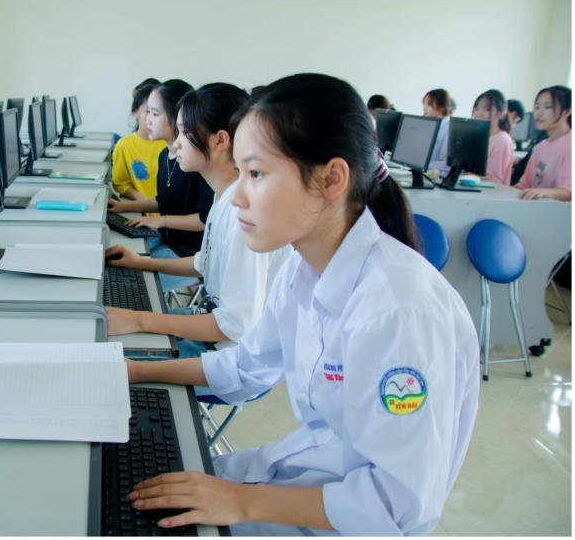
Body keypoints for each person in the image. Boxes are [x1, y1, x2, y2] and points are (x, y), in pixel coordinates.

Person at [122, 73, 479, 535]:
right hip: (299, 479)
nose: (239, 196)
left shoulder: (398, 312)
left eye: (255, 174)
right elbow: (247, 366)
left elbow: (395, 507)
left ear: (331, 179)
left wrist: (241, 502)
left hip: (339, 520)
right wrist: (136, 371)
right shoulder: (302, 267)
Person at [106, 83, 290, 360]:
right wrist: (141, 262)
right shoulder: (223, 197)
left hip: (233, 357)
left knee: (114, 356)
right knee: (113, 331)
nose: (176, 143)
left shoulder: (244, 214)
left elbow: (234, 326)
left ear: (220, 141)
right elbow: (203, 262)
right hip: (211, 325)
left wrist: (140, 320)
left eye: (185, 133)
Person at [108, 79, 214, 292]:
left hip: (188, 251)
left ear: (177, 118)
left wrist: (162, 221)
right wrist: (123, 207)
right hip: (167, 238)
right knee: (112, 255)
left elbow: (205, 219)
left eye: (155, 114)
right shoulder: (164, 155)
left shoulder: (195, 163)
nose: (146, 119)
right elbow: (165, 200)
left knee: (128, 283)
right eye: (147, 112)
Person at [111, 80, 167, 200]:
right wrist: (140, 198)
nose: (151, 118)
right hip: (143, 210)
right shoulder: (124, 145)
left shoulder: (169, 144)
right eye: (148, 111)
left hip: (167, 214)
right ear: (135, 112)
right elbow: (120, 183)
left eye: (156, 112)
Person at [516, 85, 571, 200]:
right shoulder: (540, 147)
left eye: (547, 107)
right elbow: (523, 185)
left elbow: (569, 192)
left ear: (567, 112)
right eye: (537, 107)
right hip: (537, 209)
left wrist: (543, 192)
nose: (539, 113)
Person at [471, 89, 515, 185]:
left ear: (501, 113)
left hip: (490, 195)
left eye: (486, 109)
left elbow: (495, 180)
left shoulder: (502, 140)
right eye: (477, 108)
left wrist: (466, 176)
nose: (478, 113)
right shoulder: (479, 138)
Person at [423, 88, 452, 172]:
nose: (424, 108)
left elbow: (446, 163)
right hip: (428, 171)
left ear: (440, 106)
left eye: (428, 104)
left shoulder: (449, 128)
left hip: (436, 174)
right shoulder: (432, 125)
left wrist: (423, 165)